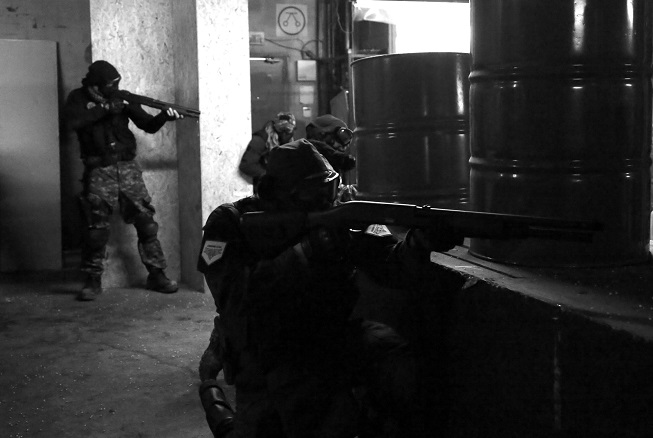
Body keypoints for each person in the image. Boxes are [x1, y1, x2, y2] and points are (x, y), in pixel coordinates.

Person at [196, 139, 463, 437]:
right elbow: (236, 296)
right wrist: (307, 251)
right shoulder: (231, 223)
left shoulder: (338, 218)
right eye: (315, 191)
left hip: (330, 336)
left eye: (331, 187)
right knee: (285, 418)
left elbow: (391, 265)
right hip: (268, 349)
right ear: (278, 192)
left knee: (402, 370)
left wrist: (418, 244)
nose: (327, 199)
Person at [63, 60, 181, 301]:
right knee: (96, 228)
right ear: (95, 85)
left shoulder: (122, 97)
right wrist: (106, 108)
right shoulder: (78, 98)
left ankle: (156, 274)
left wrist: (164, 116)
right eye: (110, 84)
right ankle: (92, 279)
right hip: (99, 169)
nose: (115, 88)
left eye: (117, 83)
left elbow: (147, 125)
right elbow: (73, 123)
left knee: (146, 223)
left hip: (127, 167)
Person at [238, 112, 296, 190]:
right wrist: (269, 175)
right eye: (285, 131)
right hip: (265, 188)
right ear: (281, 131)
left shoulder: (287, 141)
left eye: (290, 132)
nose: (288, 135)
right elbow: (246, 165)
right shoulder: (260, 140)